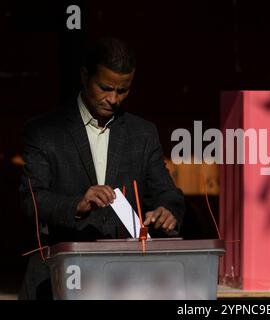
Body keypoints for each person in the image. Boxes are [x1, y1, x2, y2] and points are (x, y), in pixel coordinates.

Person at [18, 37, 185, 299]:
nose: (113, 99)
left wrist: (167, 210)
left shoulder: (143, 134)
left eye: (123, 90)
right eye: (105, 87)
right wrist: (77, 205)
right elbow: (31, 200)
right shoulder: (44, 132)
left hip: (125, 281)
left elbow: (168, 193)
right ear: (85, 77)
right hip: (57, 280)